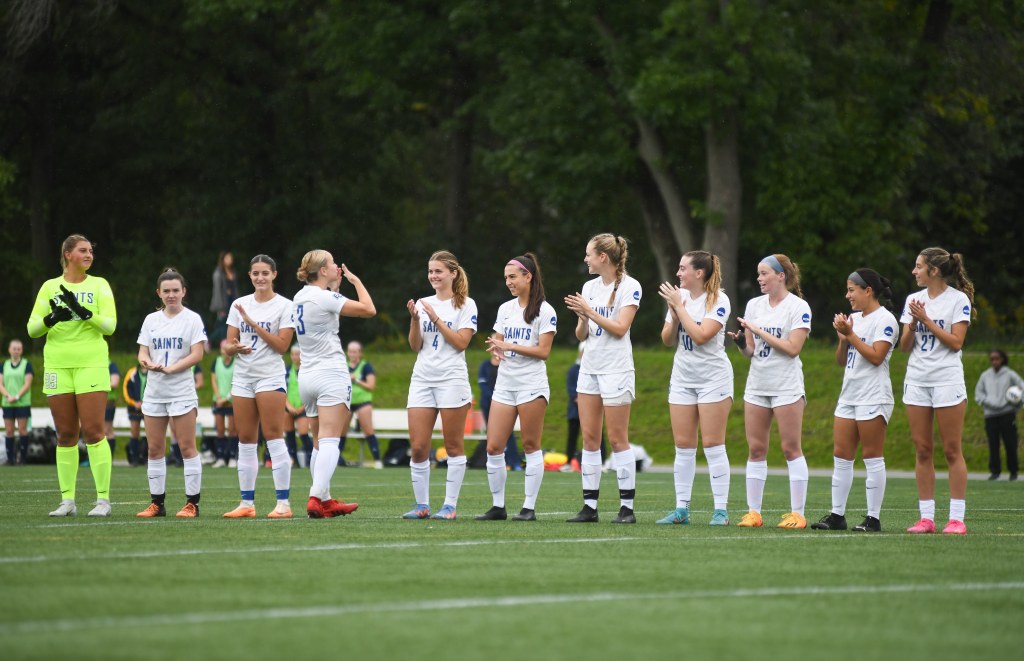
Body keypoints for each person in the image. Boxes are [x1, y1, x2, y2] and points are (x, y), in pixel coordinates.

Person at [26, 234, 117, 516]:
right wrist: (52, 318)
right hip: (57, 366)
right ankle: (68, 501)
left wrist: (82, 312)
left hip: (90, 364)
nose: (89, 254)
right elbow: (32, 329)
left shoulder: (99, 285)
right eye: (83, 250)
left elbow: (110, 326)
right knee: (65, 434)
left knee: (93, 431)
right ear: (68, 254)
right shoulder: (49, 287)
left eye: (91, 250)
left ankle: (103, 501)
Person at [727, 253, 812, 529]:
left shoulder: (798, 307)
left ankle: (797, 514)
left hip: (786, 385)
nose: (759, 278)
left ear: (781, 276)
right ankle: (754, 513)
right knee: (756, 450)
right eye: (758, 274)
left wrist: (757, 330)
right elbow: (750, 353)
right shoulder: (754, 305)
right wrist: (742, 342)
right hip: (758, 385)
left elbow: (792, 348)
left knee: (790, 449)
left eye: (764, 273)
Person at [811, 268, 898, 533]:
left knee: (872, 457)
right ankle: (837, 515)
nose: (847, 295)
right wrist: (842, 339)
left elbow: (875, 356)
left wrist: (850, 335)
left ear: (868, 291)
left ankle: (873, 518)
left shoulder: (886, 319)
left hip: (874, 395)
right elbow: (842, 360)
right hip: (849, 395)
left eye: (851, 290)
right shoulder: (854, 319)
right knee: (841, 457)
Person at [563, 233, 642, 524]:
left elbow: (620, 328)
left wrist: (590, 311)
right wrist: (582, 317)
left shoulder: (630, 286)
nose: (586, 259)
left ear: (603, 258)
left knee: (617, 438)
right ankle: (589, 507)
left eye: (589, 254)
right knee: (590, 439)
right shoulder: (589, 286)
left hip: (616, 369)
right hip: (590, 369)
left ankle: (626, 508)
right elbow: (580, 335)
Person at [293, 249, 376, 518]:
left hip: (306, 375)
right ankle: (316, 497)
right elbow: (368, 310)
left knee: (319, 442)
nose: (337, 266)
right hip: (330, 373)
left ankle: (325, 499)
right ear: (323, 270)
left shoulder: (300, 296)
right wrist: (356, 281)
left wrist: (334, 288)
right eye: (332, 263)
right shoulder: (324, 296)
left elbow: (325, 318)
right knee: (330, 439)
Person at [476, 253, 557, 521]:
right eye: (506, 278)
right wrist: (496, 352)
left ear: (528, 276)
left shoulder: (545, 311)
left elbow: (543, 351)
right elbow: (497, 345)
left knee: (531, 445)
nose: (508, 282)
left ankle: (528, 508)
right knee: (493, 446)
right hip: (506, 385)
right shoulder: (505, 309)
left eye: (513, 277)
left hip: (531, 385)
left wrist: (509, 346)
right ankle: (498, 506)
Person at [901, 247, 975, 535]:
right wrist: (914, 321)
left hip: (947, 380)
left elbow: (956, 342)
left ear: (933, 271)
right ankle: (926, 518)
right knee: (922, 450)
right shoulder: (913, 300)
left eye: (918, 266)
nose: (914, 271)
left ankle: (956, 518)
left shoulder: (958, 300)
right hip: (917, 380)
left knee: (952, 450)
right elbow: (905, 347)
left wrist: (927, 320)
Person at [655, 251, 733, 527]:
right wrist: (675, 314)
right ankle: (681, 510)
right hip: (683, 379)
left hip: (713, 379)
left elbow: (700, 337)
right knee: (683, 446)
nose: (678, 273)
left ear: (699, 273)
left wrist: (681, 308)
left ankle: (720, 510)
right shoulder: (680, 298)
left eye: (682, 268)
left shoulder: (719, 300)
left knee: (713, 444)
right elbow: (666, 339)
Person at [402, 250, 477, 520]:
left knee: (453, 445)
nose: (433, 276)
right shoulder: (423, 304)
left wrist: (435, 318)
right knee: (419, 446)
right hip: (422, 378)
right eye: (430, 271)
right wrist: (414, 319)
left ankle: (449, 506)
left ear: (453, 274)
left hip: (451, 379)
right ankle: (421, 505)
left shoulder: (466, 305)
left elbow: (460, 343)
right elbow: (415, 346)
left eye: (438, 271)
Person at [222, 255, 297, 519]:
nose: (260, 278)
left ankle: (283, 504)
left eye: (265, 273)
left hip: (270, 376)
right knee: (245, 439)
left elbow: (282, 346)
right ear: (250, 275)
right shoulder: (239, 303)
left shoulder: (285, 305)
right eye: (255, 273)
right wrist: (234, 347)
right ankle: (246, 504)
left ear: (274, 275)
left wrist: (252, 325)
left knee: (274, 436)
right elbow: (226, 349)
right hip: (243, 377)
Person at [135, 269, 207, 518]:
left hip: (181, 391)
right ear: (159, 293)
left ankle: (192, 504)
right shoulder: (150, 320)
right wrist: (147, 363)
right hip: (155, 391)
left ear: (184, 292)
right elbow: (143, 352)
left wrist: (171, 369)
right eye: (166, 291)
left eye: (176, 290)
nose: (171, 295)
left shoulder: (193, 319)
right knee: (154, 448)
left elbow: (197, 354)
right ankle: (157, 503)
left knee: (187, 446)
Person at [976, 349, 1022, 481]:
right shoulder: (985, 376)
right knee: (993, 444)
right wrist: (986, 402)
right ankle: (995, 472)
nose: (994, 361)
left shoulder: (1010, 374)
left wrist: (1017, 404)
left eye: (997, 358)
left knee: (1010, 443)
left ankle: (1013, 472)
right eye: (992, 359)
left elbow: (1021, 388)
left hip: (1007, 414)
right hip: (990, 415)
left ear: (1002, 359)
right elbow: (979, 394)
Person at [339, 341, 382, 469]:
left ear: (360, 353)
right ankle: (336, 458)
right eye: (350, 351)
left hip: (363, 402)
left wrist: (356, 380)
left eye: (355, 351)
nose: (352, 354)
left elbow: (371, 386)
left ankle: (378, 460)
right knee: (341, 431)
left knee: (368, 431)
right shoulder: (343, 366)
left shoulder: (366, 366)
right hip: (347, 402)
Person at [477, 352, 521, 469]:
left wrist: (502, 399)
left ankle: (514, 461)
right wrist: (494, 398)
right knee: (493, 434)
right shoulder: (485, 365)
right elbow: (483, 384)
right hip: (488, 404)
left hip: (505, 402)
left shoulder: (506, 364)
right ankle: (496, 463)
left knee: (508, 433)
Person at [1, 339, 34, 465]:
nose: (16, 351)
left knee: (22, 430)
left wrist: (16, 396)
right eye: (14, 348)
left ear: (21, 350)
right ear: (9, 350)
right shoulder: (3, 365)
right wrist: (7, 396)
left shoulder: (27, 365)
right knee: (9, 431)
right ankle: (10, 459)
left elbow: (27, 383)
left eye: (19, 349)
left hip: (22, 403)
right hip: (7, 402)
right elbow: (0, 384)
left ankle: (22, 459)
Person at [210, 339, 236, 468]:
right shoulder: (216, 362)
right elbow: (214, 380)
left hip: (231, 401)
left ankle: (232, 457)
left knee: (232, 430)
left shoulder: (236, 363)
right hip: (219, 401)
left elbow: (236, 381)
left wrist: (227, 398)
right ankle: (220, 457)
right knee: (220, 430)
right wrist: (219, 397)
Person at [285, 344, 310, 467]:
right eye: (293, 354)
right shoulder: (287, 370)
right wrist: (288, 406)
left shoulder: (307, 370)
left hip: (303, 406)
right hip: (289, 406)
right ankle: (293, 459)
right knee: (289, 433)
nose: (295, 357)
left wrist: (302, 407)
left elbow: (311, 391)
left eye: (298, 354)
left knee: (303, 433)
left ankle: (311, 458)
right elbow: (282, 389)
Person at [209, 250, 237, 347]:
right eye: (228, 258)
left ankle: (222, 343)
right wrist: (219, 307)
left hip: (231, 301)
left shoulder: (232, 271)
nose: (230, 260)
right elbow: (217, 291)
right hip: (223, 303)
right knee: (223, 325)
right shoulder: (218, 273)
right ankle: (210, 340)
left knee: (227, 324)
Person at [122, 363, 147, 466]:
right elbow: (126, 390)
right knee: (134, 431)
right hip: (134, 408)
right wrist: (134, 402)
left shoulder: (154, 372)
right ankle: (134, 458)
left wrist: (146, 402)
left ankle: (148, 457)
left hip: (149, 407)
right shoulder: (132, 372)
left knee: (151, 433)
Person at [104, 361, 120, 457]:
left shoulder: (110, 365)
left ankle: (109, 457)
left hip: (108, 402)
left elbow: (115, 383)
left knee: (107, 430)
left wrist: (96, 385)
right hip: (95, 401)